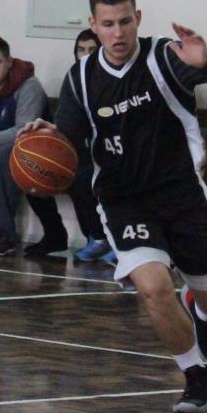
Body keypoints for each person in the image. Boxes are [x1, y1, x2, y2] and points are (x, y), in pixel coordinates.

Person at [27, 0, 207, 413]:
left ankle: (200, 309)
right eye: (107, 24)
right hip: (124, 199)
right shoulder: (82, 79)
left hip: (182, 193)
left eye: (125, 22)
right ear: (93, 23)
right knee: (152, 287)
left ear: (138, 18)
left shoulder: (166, 57)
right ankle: (194, 372)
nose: (117, 33)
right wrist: (46, 141)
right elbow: (68, 141)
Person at [0, 35, 68, 258]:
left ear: (9, 61)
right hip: (0, 154)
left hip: (41, 157)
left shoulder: (29, 86)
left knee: (7, 153)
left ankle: (3, 234)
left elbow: (22, 132)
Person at [64, 30, 113, 265]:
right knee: (74, 175)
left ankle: (117, 241)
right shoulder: (74, 77)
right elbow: (66, 123)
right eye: (80, 50)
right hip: (87, 150)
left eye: (91, 50)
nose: (84, 55)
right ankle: (95, 237)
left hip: (118, 149)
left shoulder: (112, 74)